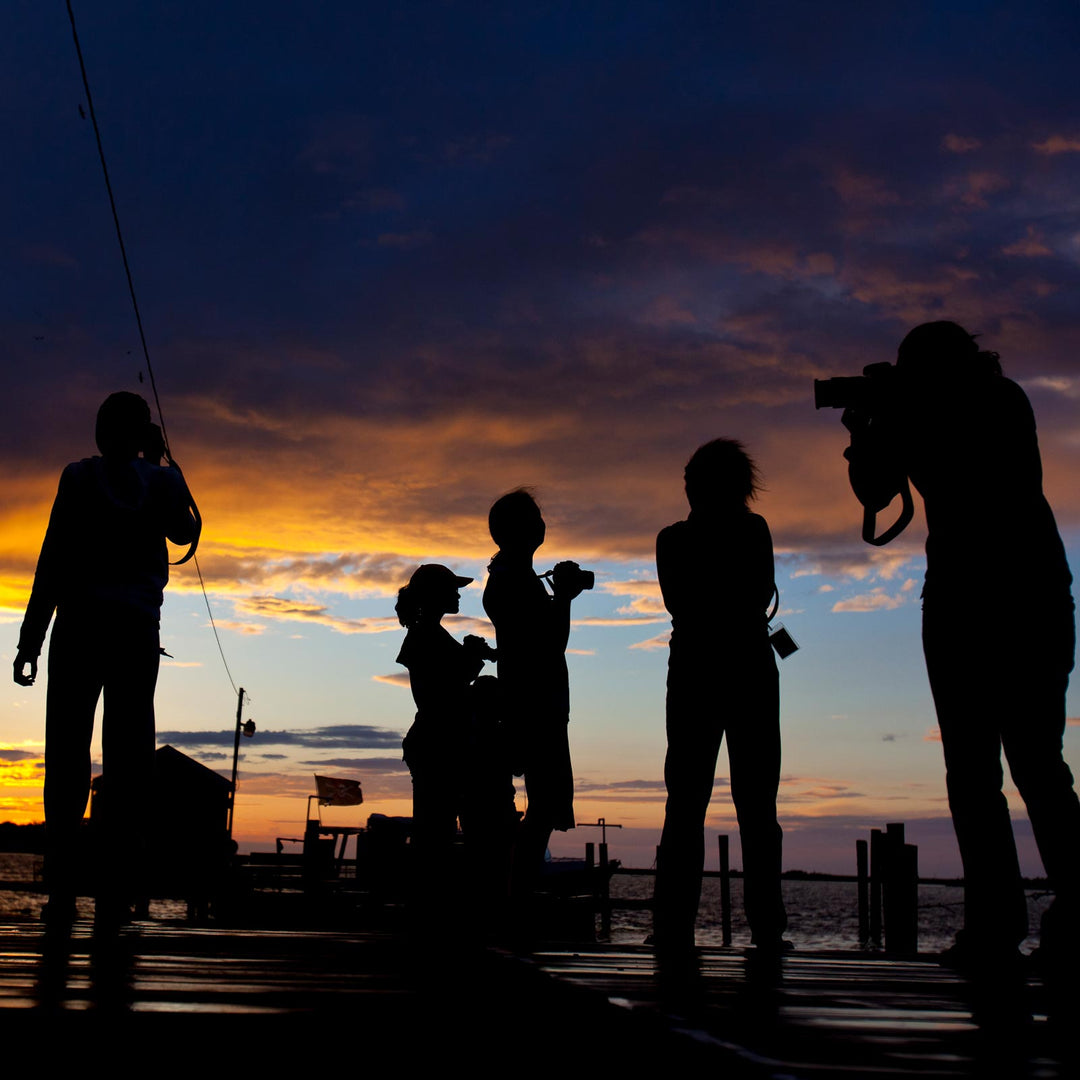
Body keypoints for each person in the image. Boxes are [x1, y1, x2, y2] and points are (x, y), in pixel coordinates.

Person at [842, 321, 1078, 969]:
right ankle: (996, 927)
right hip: (964, 599)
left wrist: (897, 412)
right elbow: (873, 495)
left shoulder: (1000, 400)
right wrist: (867, 432)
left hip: (1018, 594)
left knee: (1032, 762)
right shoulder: (917, 414)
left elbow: (972, 463)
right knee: (975, 773)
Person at [13, 391, 198, 925]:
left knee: (67, 756)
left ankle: (65, 883)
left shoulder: (78, 478)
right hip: (135, 633)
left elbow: (52, 561)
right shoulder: (162, 482)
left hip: (79, 629)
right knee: (128, 758)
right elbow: (187, 532)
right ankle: (115, 885)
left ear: (100, 432)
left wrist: (31, 638)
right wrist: (162, 462)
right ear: (143, 434)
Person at [652, 439, 787, 952]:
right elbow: (755, 593)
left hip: (694, 668)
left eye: (692, 479)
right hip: (749, 665)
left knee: (687, 800)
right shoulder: (754, 531)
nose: (686, 486)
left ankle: (672, 924)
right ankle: (768, 929)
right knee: (754, 803)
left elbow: (678, 600)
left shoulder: (672, 540)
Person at [482, 490, 589, 898]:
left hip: (535, 703)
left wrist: (558, 595)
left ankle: (517, 896)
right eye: (535, 516)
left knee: (543, 807)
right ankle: (518, 897)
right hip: (535, 706)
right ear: (519, 529)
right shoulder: (512, 580)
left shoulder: (515, 576)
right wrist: (563, 597)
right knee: (544, 807)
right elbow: (549, 643)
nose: (542, 523)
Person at [394, 564, 505, 881]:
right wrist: (472, 658)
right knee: (435, 832)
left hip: (443, 743)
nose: (457, 594)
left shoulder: (432, 634)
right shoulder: (423, 636)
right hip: (437, 745)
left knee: (439, 830)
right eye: (451, 589)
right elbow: (440, 692)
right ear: (434, 596)